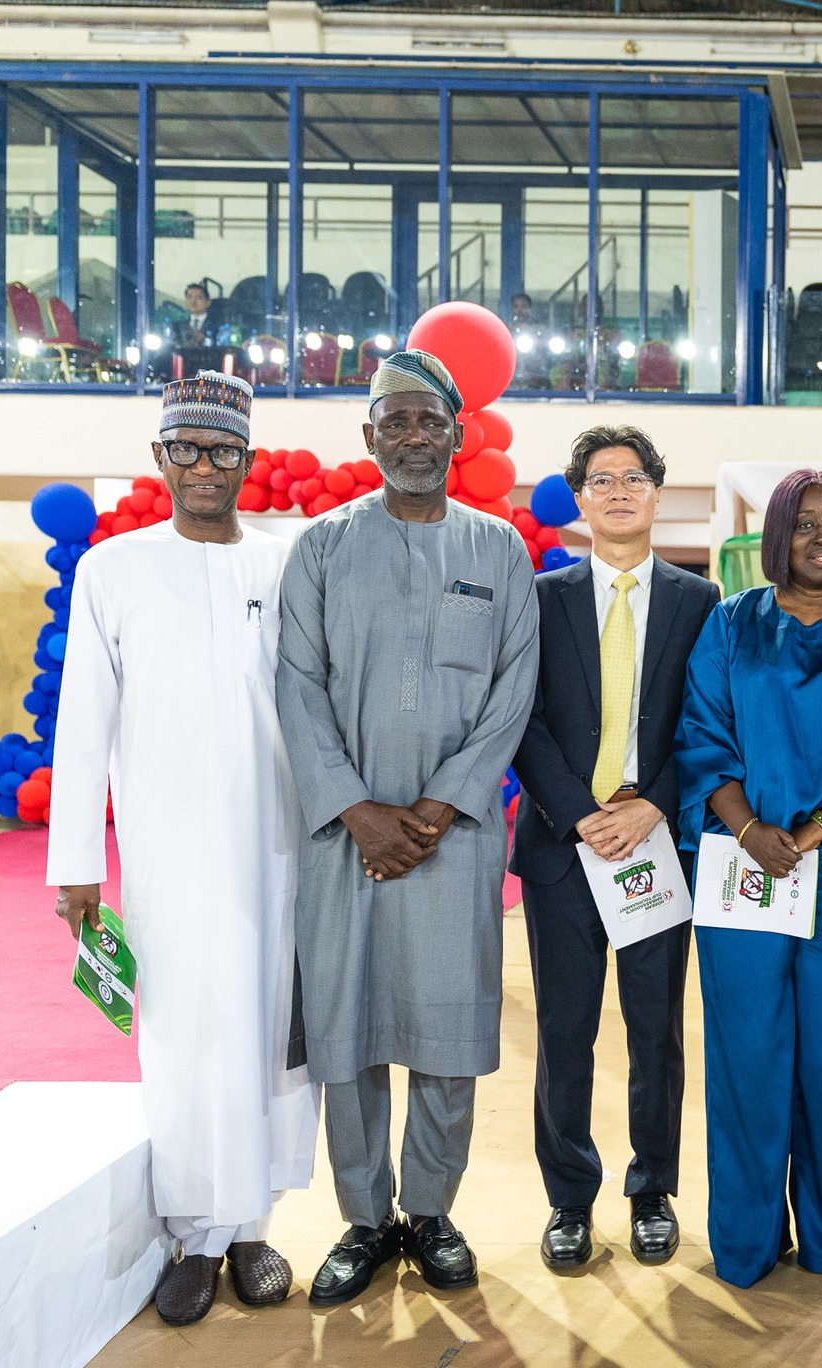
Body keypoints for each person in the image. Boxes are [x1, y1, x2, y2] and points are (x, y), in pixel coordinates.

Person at [47, 372, 317, 1326]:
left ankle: (253, 1227)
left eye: (224, 450)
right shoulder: (114, 569)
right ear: (160, 458)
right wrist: (77, 862)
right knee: (184, 1031)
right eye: (187, 450)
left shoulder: (288, 564)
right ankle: (195, 1232)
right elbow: (83, 723)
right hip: (166, 848)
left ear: (248, 458)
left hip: (281, 845)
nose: (206, 467)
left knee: (273, 1028)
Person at [275, 351, 541, 1306]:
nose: (415, 437)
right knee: (346, 1030)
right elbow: (295, 688)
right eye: (396, 421)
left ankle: (430, 1212)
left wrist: (436, 808)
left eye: (431, 420)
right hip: (343, 838)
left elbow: (514, 691)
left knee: (446, 1029)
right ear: (370, 438)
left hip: (453, 838)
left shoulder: (498, 549)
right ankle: (362, 1218)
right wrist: (356, 808)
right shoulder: (321, 545)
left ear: (458, 434)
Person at [671, 470, 822, 1289]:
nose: (821, 537)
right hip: (742, 867)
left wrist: (808, 835)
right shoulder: (730, 624)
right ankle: (744, 1241)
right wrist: (748, 829)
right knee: (747, 1056)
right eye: (805, 523)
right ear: (778, 535)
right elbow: (702, 734)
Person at [510, 425, 719, 1272]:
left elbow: (711, 724)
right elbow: (515, 716)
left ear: (657, 494)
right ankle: (568, 1198)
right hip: (564, 849)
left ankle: (651, 1189)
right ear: (580, 499)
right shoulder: (540, 598)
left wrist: (652, 808)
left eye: (635, 477)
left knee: (655, 1030)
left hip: (656, 849)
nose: (620, 491)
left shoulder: (701, 603)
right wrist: (578, 811)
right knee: (564, 1031)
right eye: (602, 480)